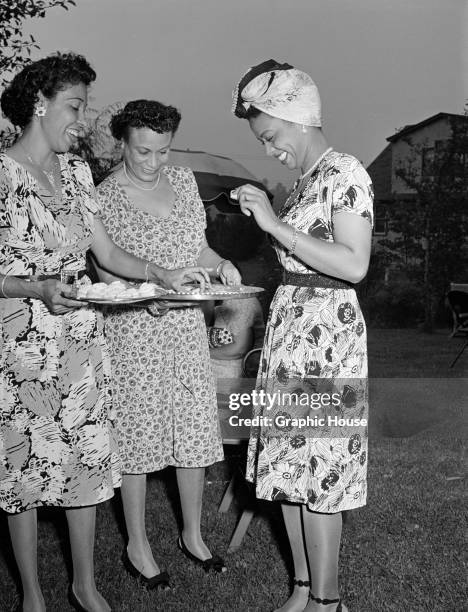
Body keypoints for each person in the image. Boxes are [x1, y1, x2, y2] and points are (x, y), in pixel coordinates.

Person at [0, 54, 209, 612]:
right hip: (27, 337)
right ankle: (32, 594)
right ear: (39, 105)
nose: (82, 118)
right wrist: (33, 288)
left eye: (86, 107)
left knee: (89, 465)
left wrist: (160, 272)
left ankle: (85, 585)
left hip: (83, 340)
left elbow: (109, 253)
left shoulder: (74, 174)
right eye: (75, 106)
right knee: (26, 467)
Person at [231, 59, 373, 612]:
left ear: (297, 117)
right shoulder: (304, 184)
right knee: (290, 471)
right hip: (292, 332)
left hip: (328, 339)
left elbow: (354, 264)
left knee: (323, 476)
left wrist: (273, 225)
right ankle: (302, 588)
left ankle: (329, 601)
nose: (270, 150)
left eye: (270, 136)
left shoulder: (347, 173)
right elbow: (296, 262)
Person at [94, 99, 242, 588]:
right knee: (137, 436)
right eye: (142, 151)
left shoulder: (182, 182)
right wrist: (147, 295)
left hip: (185, 328)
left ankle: (193, 534)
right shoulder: (105, 195)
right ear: (122, 143)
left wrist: (220, 264)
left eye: (163, 150)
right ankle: (137, 543)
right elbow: (103, 268)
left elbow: (194, 247)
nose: (153, 162)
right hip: (135, 329)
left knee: (193, 430)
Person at [203, 296, 265, 379]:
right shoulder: (212, 298)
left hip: (232, 378)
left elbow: (240, 349)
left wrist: (197, 354)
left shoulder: (240, 301)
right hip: (209, 374)